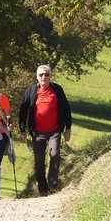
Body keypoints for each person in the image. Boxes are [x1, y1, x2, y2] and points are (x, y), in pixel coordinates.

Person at [19, 64, 72, 196]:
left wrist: (68, 128)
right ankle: (42, 189)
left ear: (50, 76)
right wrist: (22, 129)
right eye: (41, 75)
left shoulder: (57, 89)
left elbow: (66, 108)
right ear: (37, 77)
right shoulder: (31, 90)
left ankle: (53, 185)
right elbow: (23, 110)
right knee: (39, 160)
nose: (44, 77)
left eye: (46, 74)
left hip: (55, 130)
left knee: (55, 154)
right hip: (37, 132)